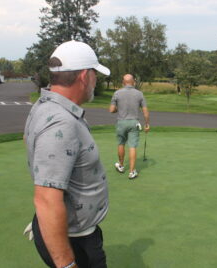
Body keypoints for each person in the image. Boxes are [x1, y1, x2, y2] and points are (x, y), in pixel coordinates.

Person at [23, 40, 110, 268]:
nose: (96, 80)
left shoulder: (44, 106)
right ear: (84, 76)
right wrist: (67, 264)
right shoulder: (61, 123)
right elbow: (46, 199)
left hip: (68, 230)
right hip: (75, 241)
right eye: (94, 74)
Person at [109, 74, 150, 179]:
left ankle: (121, 166)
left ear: (123, 82)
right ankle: (132, 172)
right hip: (134, 123)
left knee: (121, 143)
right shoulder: (139, 94)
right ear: (133, 82)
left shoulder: (117, 93)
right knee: (132, 146)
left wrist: (119, 110)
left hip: (121, 122)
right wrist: (146, 124)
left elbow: (111, 110)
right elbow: (145, 111)